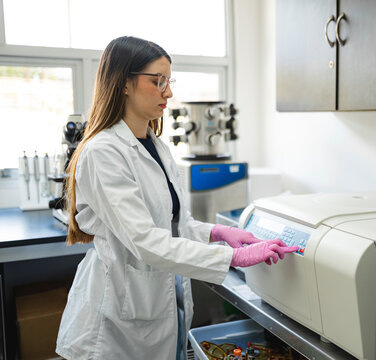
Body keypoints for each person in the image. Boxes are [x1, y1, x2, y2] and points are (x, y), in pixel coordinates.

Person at [55, 36, 298, 360]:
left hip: (160, 307)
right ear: (124, 83)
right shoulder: (103, 153)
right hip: (114, 324)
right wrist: (232, 258)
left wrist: (216, 232)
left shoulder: (156, 147)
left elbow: (168, 224)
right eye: (158, 81)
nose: (168, 92)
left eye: (169, 81)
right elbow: (146, 241)